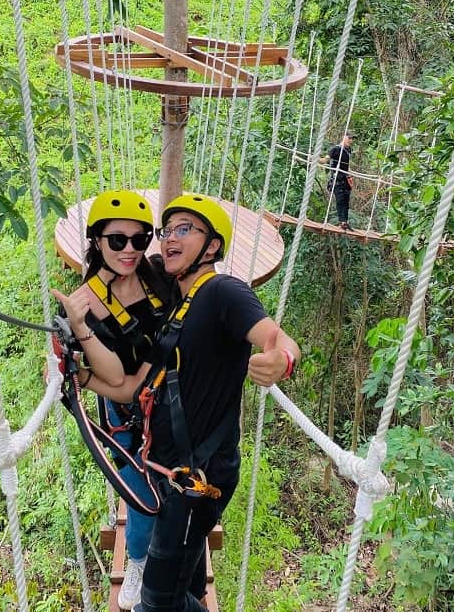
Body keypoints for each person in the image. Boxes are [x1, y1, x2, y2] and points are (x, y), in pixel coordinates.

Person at [81, 193, 301, 611]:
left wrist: (282, 359)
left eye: (185, 229)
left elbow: (277, 338)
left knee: (156, 602)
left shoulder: (223, 291)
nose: (168, 240)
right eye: (166, 232)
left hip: (195, 481)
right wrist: (80, 376)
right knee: (185, 579)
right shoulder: (177, 302)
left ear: (212, 245)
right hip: (174, 470)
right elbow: (131, 388)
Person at [51, 189, 173, 610]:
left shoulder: (157, 274)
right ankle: (137, 562)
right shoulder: (87, 303)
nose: (129, 250)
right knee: (142, 497)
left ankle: (164, 557)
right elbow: (119, 379)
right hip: (128, 414)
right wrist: (80, 329)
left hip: (170, 399)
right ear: (97, 242)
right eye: (117, 240)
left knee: (169, 488)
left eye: (140, 240)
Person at [321, 133, 355, 230]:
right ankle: (342, 221)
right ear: (344, 138)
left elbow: (347, 166)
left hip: (345, 180)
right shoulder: (335, 149)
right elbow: (325, 160)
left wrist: (350, 174)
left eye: (352, 139)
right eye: (350, 138)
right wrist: (314, 159)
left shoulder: (348, 150)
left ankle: (345, 222)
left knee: (346, 202)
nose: (351, 140)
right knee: (340, 201)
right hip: (337, 179)